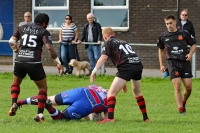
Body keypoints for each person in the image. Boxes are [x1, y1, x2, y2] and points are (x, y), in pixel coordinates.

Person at [8, 13, 64, 122]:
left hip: (20, 60)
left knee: (15, 83)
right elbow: (49, 48)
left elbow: (11, 41)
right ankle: (40, 115)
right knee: (42, 89)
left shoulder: (22, 27)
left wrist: (17, 51)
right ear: (44, 23)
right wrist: (58, 62)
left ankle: (14, 103)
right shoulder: (43, 31)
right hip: (34, 63)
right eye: (47, 24)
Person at [90, 27, 150, 124]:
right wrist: (124, 83)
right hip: (137, 65)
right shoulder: (123, 42)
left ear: (105, 37)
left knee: (111, 93)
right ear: (114, 34)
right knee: (137, 92)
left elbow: (103, 57)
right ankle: (146, 118)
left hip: (127, 68)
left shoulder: (108, 42)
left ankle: (110, 119)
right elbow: (124, 59)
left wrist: (94, 71)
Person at [157, 15, 196, 114]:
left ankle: (184, 102)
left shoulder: (184, 33)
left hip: (184, 62)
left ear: (175, 23)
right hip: (173, 63)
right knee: (177, 86)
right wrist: (161, 64)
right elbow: (160, 50)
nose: (169, 25)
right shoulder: (163, 36)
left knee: (188, 87)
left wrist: (190, 54)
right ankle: (181, 109)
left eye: (170, 23)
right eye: (167, 24)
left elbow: (193, 45)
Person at [17, 85, 108, 121]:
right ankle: (48, 106)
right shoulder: (109, 101)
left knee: (49, 98)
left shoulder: (98, 86)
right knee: (62, 118)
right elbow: (108, 119)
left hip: (79, 92)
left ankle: (20, 102)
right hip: (87, 104)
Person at [163, 9, 195, 78]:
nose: (184, 16)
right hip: (174, 51)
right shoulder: (177, 23)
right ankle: (168, 71)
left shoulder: (189, 24)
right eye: (183, 15)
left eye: (185, 15)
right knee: (173, 59)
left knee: (188, 87)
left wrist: (190, 52)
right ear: (180, 15)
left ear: (187, 16)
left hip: (184, 46)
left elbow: (192, 36)